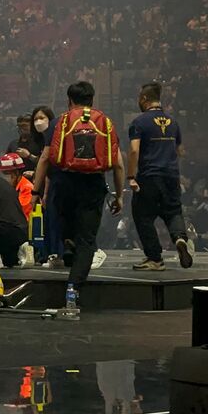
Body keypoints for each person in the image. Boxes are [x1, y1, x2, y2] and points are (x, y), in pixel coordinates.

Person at [32, 82, 125, 304]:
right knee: (87, 240)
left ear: (69, 100)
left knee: (64, 226)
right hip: (93, 185)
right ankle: (73, 288)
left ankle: (67, 244)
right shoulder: (104, 122)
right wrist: (119, 195)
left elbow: (45, 159)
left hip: (63, 183)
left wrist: (36, 190)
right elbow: (119, 164)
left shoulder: (58, 123)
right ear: (92, 100)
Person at [126, 82, 193, 271]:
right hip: (171, 175)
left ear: (144, 99)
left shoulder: (139, 122)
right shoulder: (173, 122)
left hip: (149, 176)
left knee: (142, 215)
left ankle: (155, 258)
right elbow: (180, 151)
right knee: (173, 211)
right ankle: (180, 238)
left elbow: (133, 150)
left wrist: (131, 176)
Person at [30, 106, 59, 264]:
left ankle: (55, 253)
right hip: (40, 184)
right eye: (35, 119)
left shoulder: (55, 136)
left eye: (42, 118)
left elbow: (47, 165)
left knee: (52, 219)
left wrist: (44, 192)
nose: (38, 122)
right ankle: (44, 253)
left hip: (51, 183)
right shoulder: (36, 141)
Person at [0, 175, 30, 269]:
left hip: (0, 231)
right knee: (10, 262)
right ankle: (20, 249)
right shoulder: (1, 183)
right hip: (21, 230)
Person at [0, 153, 34, 220]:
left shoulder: (27, 189)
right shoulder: (11, 188)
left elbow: (18, 214)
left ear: (16, 173)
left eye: (6, 174)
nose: (4, 178)